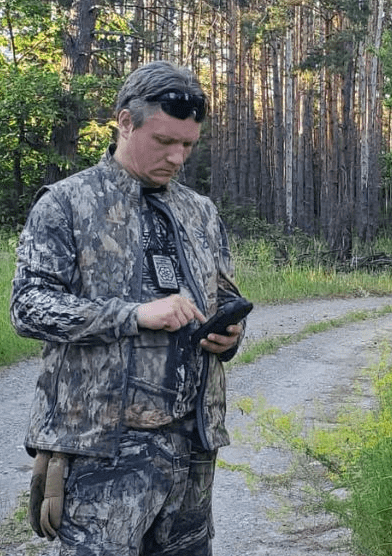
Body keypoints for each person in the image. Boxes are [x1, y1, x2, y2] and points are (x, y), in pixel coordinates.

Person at [11, 60, 246, 555]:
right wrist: (133, 315)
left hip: (192, 448)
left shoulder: (199, 211)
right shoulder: (66, 203)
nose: (178, 157)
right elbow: (28, 307)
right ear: (124, 122)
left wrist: (230, 335)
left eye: (188, 145)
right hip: (103, 452)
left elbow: (223, 296)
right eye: (164, 142)